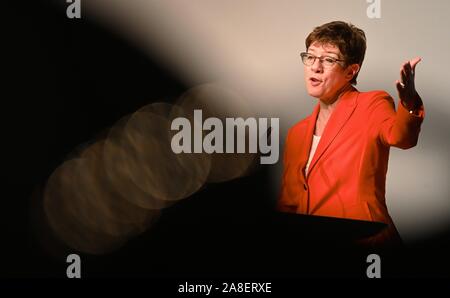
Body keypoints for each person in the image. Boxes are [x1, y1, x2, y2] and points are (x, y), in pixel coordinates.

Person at [277, 21, 425, 248]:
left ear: (350, 71)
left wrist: (408, 102)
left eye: (328, 59)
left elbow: (401, 137)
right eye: (310, 57)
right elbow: (289, 203)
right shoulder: (297, 132)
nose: (315, 67)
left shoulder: (372, 104)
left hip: (365, 241)